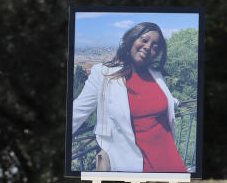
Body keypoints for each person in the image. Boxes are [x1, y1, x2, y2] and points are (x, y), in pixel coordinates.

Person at [71, 22, 187, 173]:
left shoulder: (157, 75)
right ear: (131, 39)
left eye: (155, 47)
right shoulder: (104, 74)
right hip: (133, 163)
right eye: (144, 40)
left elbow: (163, 101)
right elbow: (76, 112)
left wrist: (175, 102)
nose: (148, 47)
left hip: (169, 156)